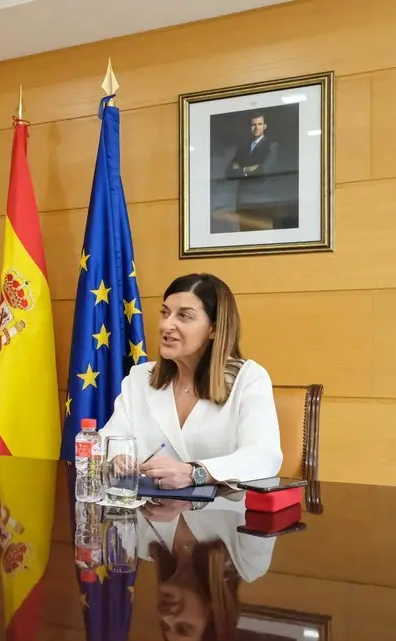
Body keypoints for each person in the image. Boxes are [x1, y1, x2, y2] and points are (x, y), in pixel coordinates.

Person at [100, 273, 282, 488]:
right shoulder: (140, 378)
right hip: (150, 515)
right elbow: (107, 440)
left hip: (223, 515)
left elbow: (264, 457)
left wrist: (195, 473)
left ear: (213, 328)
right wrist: (117, 458)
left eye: (184, 316)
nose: (167, 325)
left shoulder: (249, 378)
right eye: (165, 313)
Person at [225, 112, 280, 231]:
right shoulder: (242, 148)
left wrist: (240, 169)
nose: (256, 127)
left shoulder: (272, 146)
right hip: (243, 202)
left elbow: (263, 171)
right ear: (249, 127)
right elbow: (229, 173)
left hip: (262, 202)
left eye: (260, 124)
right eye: (253, 124)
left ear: (265, 126)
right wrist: (247, 169)